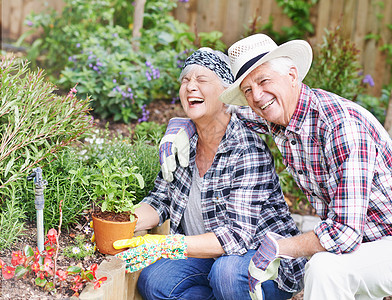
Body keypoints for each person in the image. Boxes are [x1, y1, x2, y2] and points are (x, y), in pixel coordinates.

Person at [158, 34, 392, 300]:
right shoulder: (279, 118)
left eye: (264, 81)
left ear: (292, 75)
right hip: (361, 246)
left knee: (325, 270)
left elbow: (344, 233)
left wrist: (280, 246)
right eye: (248, 90)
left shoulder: (340, 127)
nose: (257, 96)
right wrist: (183, 123)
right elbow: (223, 112)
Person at [113, 47, 307, 300]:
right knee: (156, 281)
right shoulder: (183, 143)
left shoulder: (245, 148)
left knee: (225, 274)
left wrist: (167, 245)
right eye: (185, 80)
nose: (190, 87)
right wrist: (119, 222)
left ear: (226, 93)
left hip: (259, 259)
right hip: (209, 256)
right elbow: (160, 200)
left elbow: (237, 237)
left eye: (202, 80)